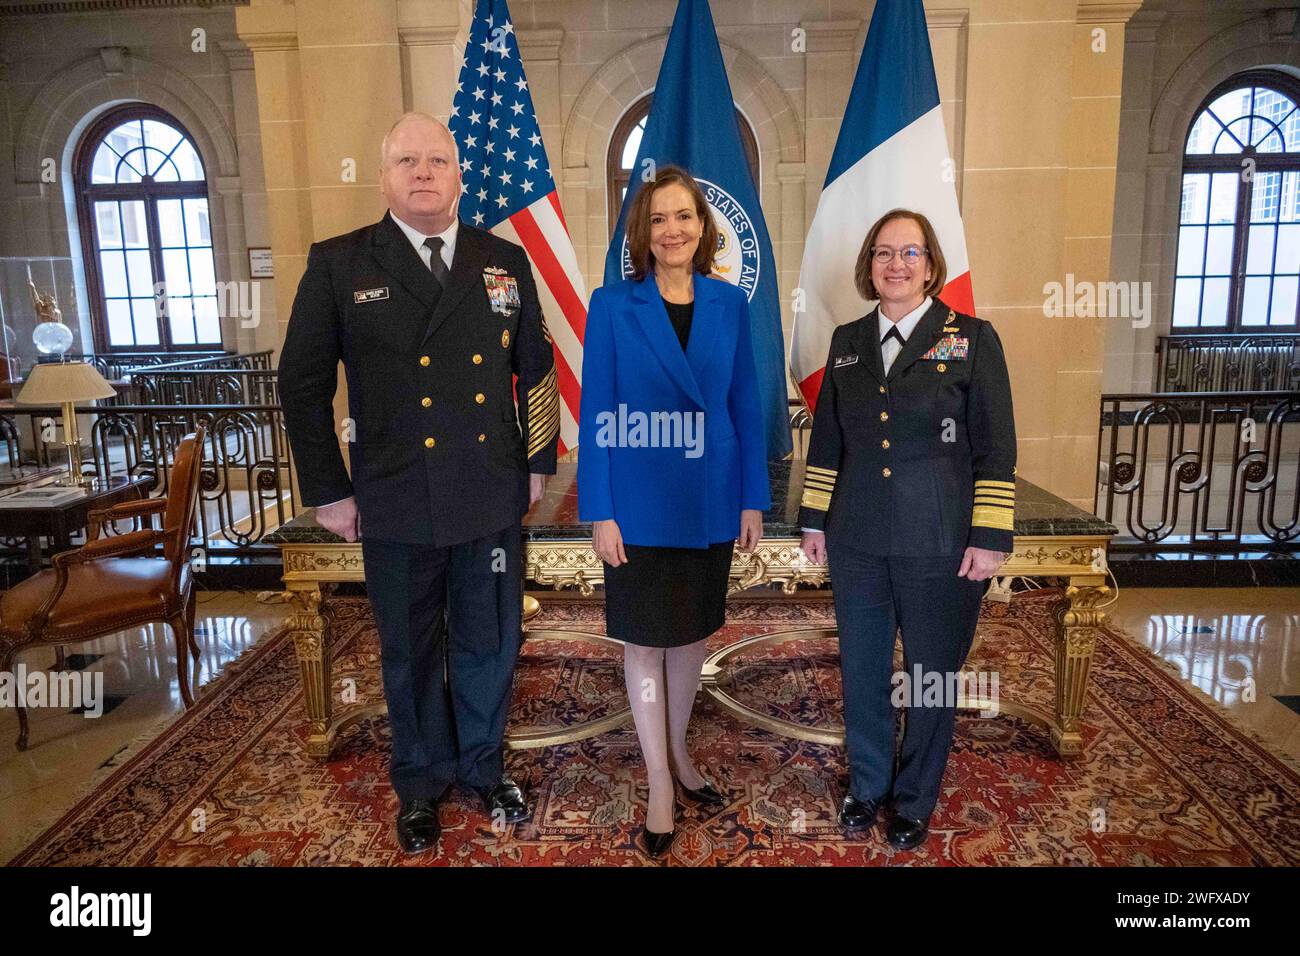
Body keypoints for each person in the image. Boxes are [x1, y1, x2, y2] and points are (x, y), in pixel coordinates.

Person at [278, 112, 559, 854]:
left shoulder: (502, 258)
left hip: (489, 489)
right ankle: (420, 781)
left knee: (489, 638)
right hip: (394, 494)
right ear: (384, 177)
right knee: (407, 647)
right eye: (408, 160)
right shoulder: (341, 263)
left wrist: (535, 463)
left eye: (438, 160)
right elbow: (301, 385)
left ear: (460, 175)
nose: (425, 173)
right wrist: (330, 491)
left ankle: (483, 766)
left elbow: (537, 366)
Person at [798, 208, 1016, 851]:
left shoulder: (972, 338)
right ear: (870, 263)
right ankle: (867, 789)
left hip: (942, 543)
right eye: (885, 253)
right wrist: (815, 521)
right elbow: (829, 444)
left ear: (931, 265)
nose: (897, 264)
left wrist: (989, 536)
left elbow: (995, 447)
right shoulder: (846, 342)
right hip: (858, 538)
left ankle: (915, 798)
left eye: (910, 253)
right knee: (864, 670)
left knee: (929, 677)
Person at [578, 165, 770, 858]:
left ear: (702, 226)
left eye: (683, 216)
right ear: (643, 231)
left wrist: (753, 496)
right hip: (639, 498)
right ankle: (659, 779)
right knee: (644, 640)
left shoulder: (728, 304)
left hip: (711, 497)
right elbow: (596, 410)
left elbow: (746, 402)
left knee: (690, 636)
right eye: (659, 218)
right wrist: (600, 509)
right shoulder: (612, 304)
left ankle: (681, 755)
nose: (672, 230)